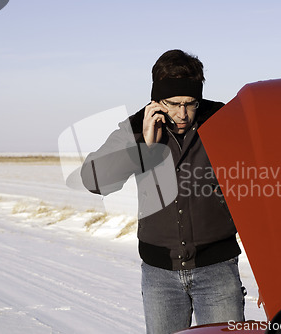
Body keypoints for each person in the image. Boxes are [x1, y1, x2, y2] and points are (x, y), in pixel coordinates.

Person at [81, 49, 245, 333]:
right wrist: (142, 147)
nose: (182, 114)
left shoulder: (221, 120)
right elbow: (94, 180)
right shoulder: (134, 128)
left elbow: (279, 130)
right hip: (159, 277)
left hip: (217, 270)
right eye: (173, 104)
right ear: (157, 101)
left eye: (190, 103)